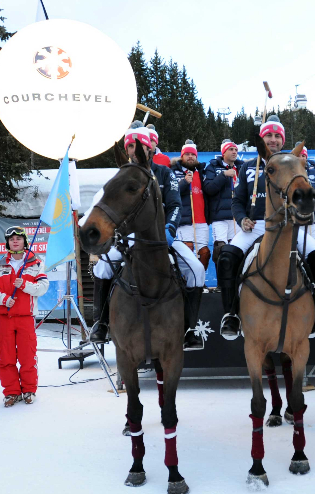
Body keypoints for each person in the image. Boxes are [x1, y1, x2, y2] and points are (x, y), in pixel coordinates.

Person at [215, 116, 315, 339]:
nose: (273, 139)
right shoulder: (248, 167)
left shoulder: (292, 164)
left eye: (277, 135)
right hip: (255, 227)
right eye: (268, 135)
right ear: (262, 139)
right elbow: (236, 201)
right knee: (227, 257)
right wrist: (241, 219)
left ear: (283, 139)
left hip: (288, 227)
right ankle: (231, 314)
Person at [103, 122, 206, 350]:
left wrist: (169, 228)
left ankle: (190, 328)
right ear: (126, 149)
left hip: (162, 235)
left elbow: (175, 204)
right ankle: (100, 324)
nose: (134, 150)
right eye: (130, 146)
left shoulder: (165, 172)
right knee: (102, 267)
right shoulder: (122, 174)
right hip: (129, 237)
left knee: (197, 270)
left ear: (150, 148)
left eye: (139, 146)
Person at [0, 227, 49, 406]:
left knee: (27, 356)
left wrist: (25, 285)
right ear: (7, 242)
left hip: (25, 318)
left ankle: (29, 390)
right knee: (6, 357)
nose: (15, 241)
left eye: (18, 238)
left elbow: (43, 288)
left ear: (24, 241)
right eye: (11, 238)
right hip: (4, 319)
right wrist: (4, 299)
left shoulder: (35, 263)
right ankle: (11, 392)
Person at [170, 140, 212, 273]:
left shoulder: (202, 172)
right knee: (187, 250)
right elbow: (171, 192)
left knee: (204, 253)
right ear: (182, 156)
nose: (190, 157)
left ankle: (200, 281)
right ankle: (185, 279)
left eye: (193, 154)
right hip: (184, 219)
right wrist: (183, 182)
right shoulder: (173, 171)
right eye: (187, 154)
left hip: (201, 220)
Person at [203, 139, 243, 255]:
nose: (234, 152)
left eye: (236, 150)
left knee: (237, 249)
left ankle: (237, 273)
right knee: (220, 250)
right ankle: (221, 273)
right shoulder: (212, 167)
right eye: (231, 149)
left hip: (237, 215)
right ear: (223, 153)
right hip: (219, 216)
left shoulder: (242, 167)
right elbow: (209, 189)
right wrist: (223, 175)